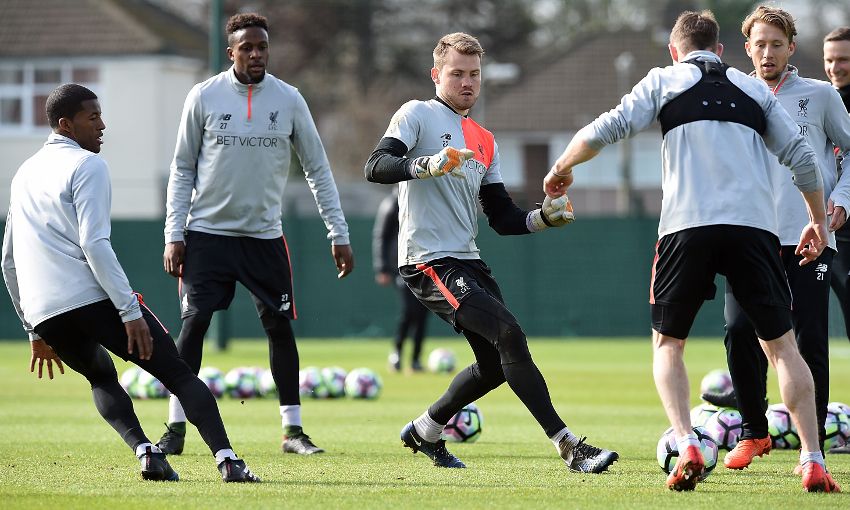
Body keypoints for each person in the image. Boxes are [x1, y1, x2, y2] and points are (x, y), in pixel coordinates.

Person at [544, 10, 839, 493]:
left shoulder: (664, 80)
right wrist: (818, 222)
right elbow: (803, 158)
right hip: (754, 231)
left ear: (675, 51)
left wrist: (560, 169)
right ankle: (811, 459)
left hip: (686, 228)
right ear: (721, 51)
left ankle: (687, 442)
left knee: (668, 345)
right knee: (784, 348)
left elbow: (606, 128)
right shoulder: (754, 89)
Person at [365, 32, 618, 474]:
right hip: (428, 260)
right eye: (457, 73)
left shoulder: (484, 138)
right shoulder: (416, 115)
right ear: (436, 75)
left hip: (467, 260)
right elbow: (376, 166)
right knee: (509, 335)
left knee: (495, 365)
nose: (467, 82)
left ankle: (425, 429)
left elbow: (501, 217)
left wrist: (544, 218)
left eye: (474, 74)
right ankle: (570, 447)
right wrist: (426, 164)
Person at [1, 84, 259, 483]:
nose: (102, 126)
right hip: (91, 298)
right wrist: (129, 311)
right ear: (66, 125)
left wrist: (33, 329)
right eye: (93, 117)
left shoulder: (23, 174)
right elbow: (94, 243)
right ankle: (229, 462)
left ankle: (146, 452)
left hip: (45, 311)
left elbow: (8, 261)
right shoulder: (87, 166)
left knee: (100, 376)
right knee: (177, 373)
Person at [157, 12, 354, 457]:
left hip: (264, 237)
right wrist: (175, 233)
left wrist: (337, 231)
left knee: (279, 327)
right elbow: (182, 167)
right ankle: (175, 427)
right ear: (231, 52)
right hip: (206, 235)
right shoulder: (204, 97)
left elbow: (318, 168)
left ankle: (293, 431)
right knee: (194, 326)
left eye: (262, 46)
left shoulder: (288, 99)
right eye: (247, 47)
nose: (256, 54)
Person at [698, 7, 850, 472]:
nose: (767, 53)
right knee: (740, 330)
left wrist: (839, 201)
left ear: (791, 48)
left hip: (810, 238)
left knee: (808, 340)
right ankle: (754, 433)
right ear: (747, 49)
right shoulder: (731, 94)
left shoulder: (821, 96)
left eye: (776, 44)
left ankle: (813, 450)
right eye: (759, 45)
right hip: (750, 237)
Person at [824, 26, 850, 455]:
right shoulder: (822, 99)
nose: (834, 66)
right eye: (829, 59)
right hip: (823, 230)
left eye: (842, 59)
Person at [372, 187, 429, 372]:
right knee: (409, 311)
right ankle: (397, 352)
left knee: (423, 313)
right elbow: (381, 237)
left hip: (425, 265)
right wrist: (382, 267)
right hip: (402, 267)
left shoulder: (422, 203)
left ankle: (416, 359)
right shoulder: (392, 204)